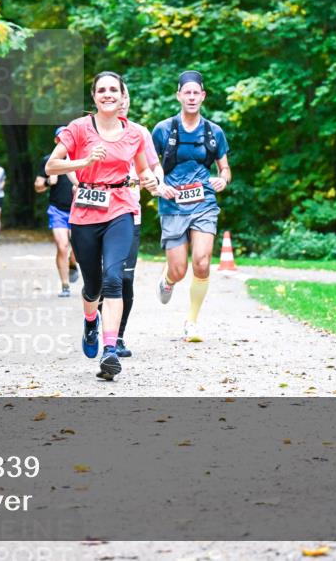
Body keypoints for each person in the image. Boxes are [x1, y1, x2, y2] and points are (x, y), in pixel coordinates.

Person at [45, 71, 159, 381]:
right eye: (102, 90)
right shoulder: (78, 128)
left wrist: (150, 180)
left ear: (122, 97)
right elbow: (51, 166)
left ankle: (110, 350)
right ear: (94, 97)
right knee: (93, 287)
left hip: (121, 209)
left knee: (113, 278)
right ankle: (89, 321)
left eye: (113, 90)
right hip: (85, 214)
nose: (108, 94)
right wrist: (83, 162)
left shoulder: (134, 133)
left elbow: (143, 171)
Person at [151, 70, 231, 340]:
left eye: (196, 93)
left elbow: (225, 168)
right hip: (172, 205)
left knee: (202, 261)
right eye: (187, 92)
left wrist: (222, 179)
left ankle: (191, 323)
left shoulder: (214, 132)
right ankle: (168, 278)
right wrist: (159, 184)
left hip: (204, 203)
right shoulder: (163, 130)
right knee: (179, 270)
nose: (192, 97)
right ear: (179, 96)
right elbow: (148, 165)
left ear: (203, 96)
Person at [107, 85, 160, 357]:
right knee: (100, 281)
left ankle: (116, 338)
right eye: (119, 95)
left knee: (124, 279)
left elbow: (154, 166)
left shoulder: (140, 132)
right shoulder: (91, 131)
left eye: (126, 95)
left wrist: (156, 181)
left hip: (130, 215)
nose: (123, 100)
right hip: (97, 216)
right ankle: (93, 321)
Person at [34, 127, 80, 297]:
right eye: (61, 138)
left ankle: (73, 263)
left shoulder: (80, 159)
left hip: (79, 210)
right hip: (58, 210)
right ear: (56, 141)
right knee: (62, 246)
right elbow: (37, 186)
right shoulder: (48, 161)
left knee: (79, 248)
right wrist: (48, 182)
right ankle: (65, 285)